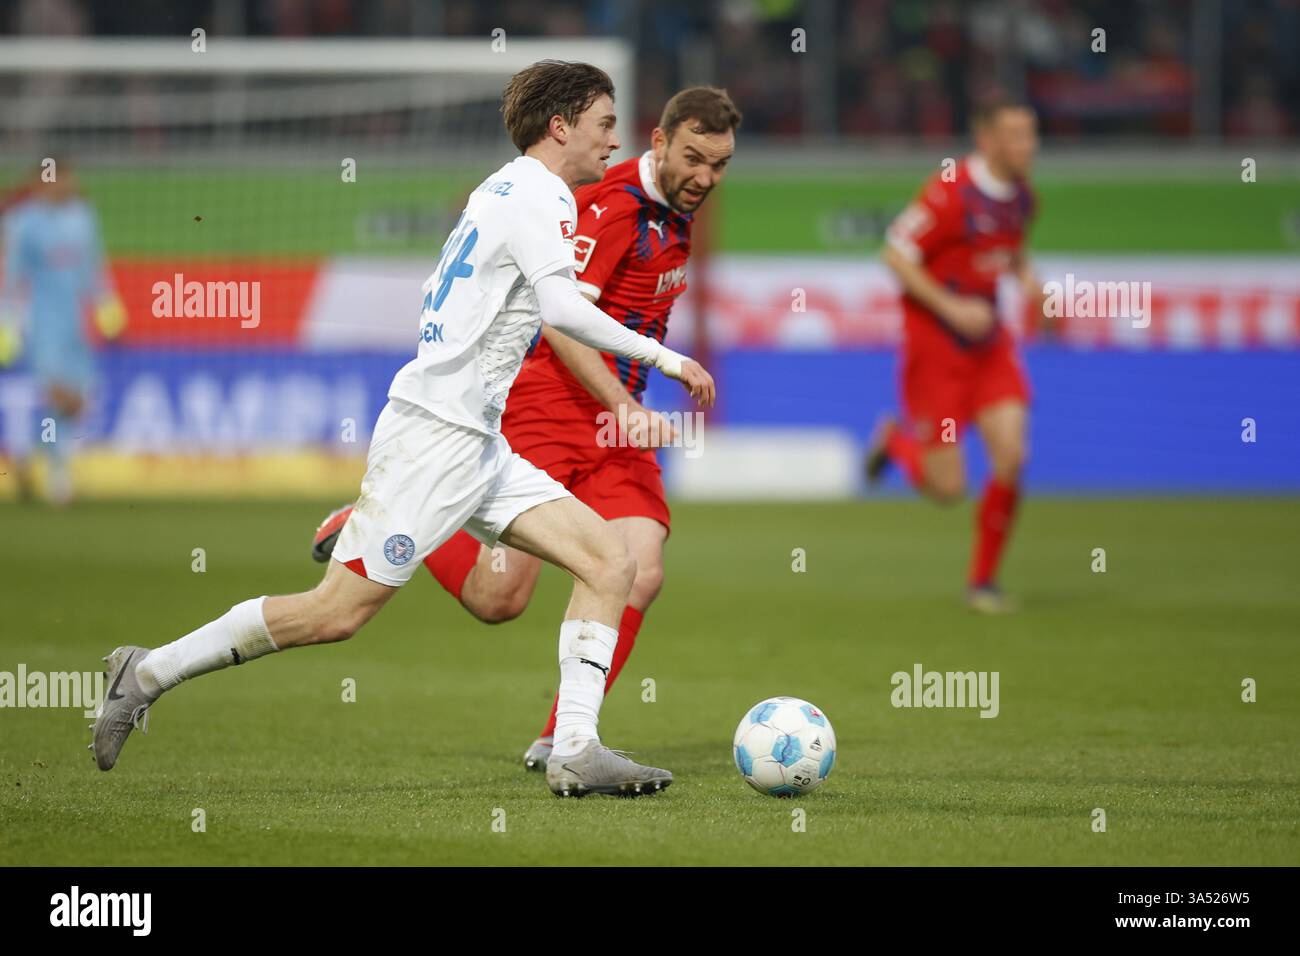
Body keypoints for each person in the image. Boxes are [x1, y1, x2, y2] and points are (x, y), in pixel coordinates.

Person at [90, 61, 716, 800]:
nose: (615, 140)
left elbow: (450, 292)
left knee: (610, 561)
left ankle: (575, 747)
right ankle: (148, 670)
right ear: (562, 126)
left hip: (477, 441)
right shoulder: (543, 195)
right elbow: (563, 309)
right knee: (334, 614)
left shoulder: (501, 188)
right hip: (433, 443)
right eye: (605, 123)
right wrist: (665, 358)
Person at [310, 86, 741, 771]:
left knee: (640, 571)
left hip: (612, 428)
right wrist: (624, 405)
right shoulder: (611, 208)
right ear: (658, 142)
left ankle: (561, 739)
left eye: (718, 165)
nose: (706, 178)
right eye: (694, 158)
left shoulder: (674, 211)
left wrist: (624, 411)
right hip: (550, 407)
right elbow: (561, 323)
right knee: (498, 598)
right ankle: (385, 527)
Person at [866, 100, 1044, 613]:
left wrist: (1033, 288)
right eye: (1015, 135)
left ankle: (982, 583)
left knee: (1012, 456)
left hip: (991, 348)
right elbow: (895, 254)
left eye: (1031, 134)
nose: (1027, 146)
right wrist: (950, 307)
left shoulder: (1023, 200)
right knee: (948, 488)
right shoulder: (949, 193)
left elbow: (1012, 256)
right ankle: (898, 443)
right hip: (937, 351)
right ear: (986, 139)